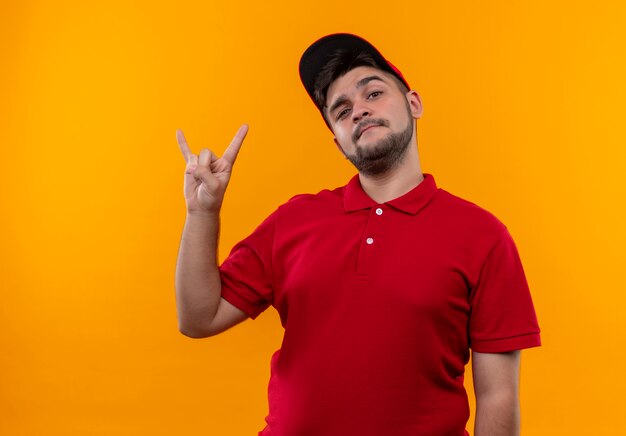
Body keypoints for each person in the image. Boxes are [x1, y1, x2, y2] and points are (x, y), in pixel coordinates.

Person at [175, 33, 541, 436]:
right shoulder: (293, 220)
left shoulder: (483, 236)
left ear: (414, 104)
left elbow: (498, 396)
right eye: (342, 109)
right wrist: (202, 212)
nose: (359, 111)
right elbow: (198, 317)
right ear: (338, 141)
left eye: (373, 93)